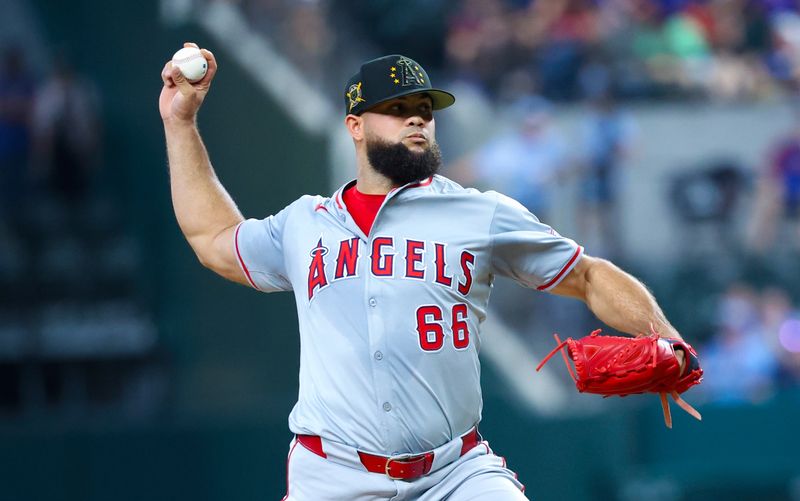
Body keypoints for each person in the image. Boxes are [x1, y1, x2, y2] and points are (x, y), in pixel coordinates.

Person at [159, 43, 689, 501]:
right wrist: (179, 123)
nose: (416, 117)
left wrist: (666, 338)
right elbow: (213, 241)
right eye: (396, 107)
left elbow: (588, 275)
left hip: (455, 472)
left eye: (424, 108)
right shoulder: (304, 224)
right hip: (333, 475)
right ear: (356, 126)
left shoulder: (479, 213)